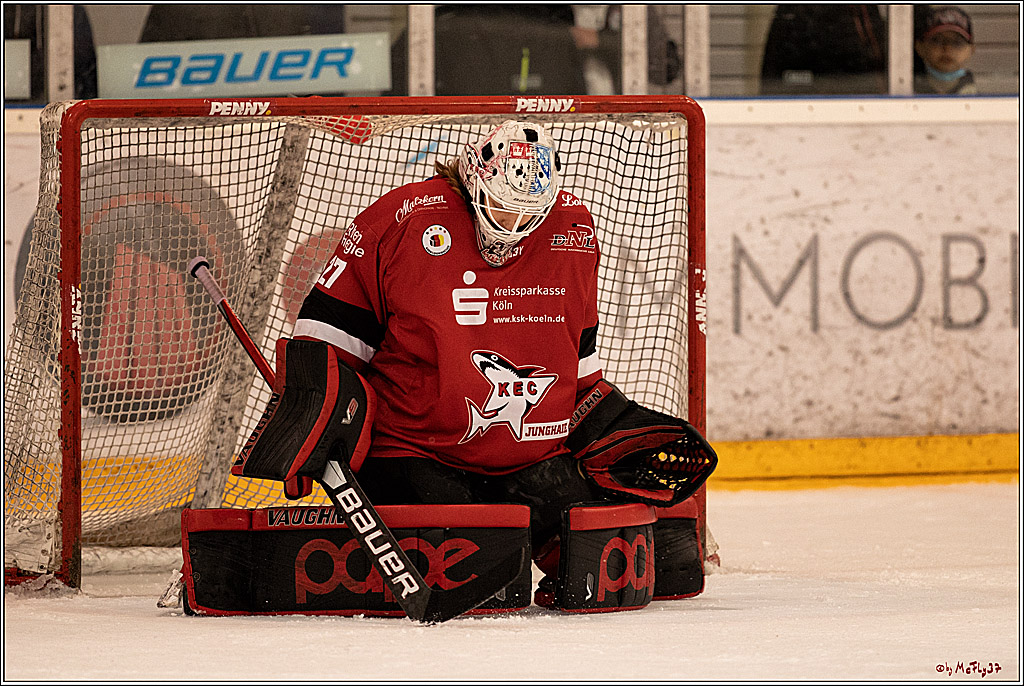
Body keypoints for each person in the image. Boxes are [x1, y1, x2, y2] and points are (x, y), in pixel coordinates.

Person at [237, 121, 717, 613]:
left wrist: (600, 416)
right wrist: (310, 411)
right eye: (501, 207)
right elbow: (326, 336)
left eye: (528, 213)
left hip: (530, 457)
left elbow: (577, 357)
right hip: (414, 449)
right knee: (486, 571)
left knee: (611, 571)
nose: (512, 225)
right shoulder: (403, 218)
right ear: (473, 180)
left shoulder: (574, 231)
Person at [760, 4, 887, 95]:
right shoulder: (793, 12)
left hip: (854, 101)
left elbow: (877, 65)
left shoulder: (859, 10)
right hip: (797, 103)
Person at [914, 6, 978, 95]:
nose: (947, 48)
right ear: (919, 47)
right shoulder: (907, 89)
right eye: (937, 41)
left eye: (957, 43)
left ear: (971, 50)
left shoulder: (979, 91)